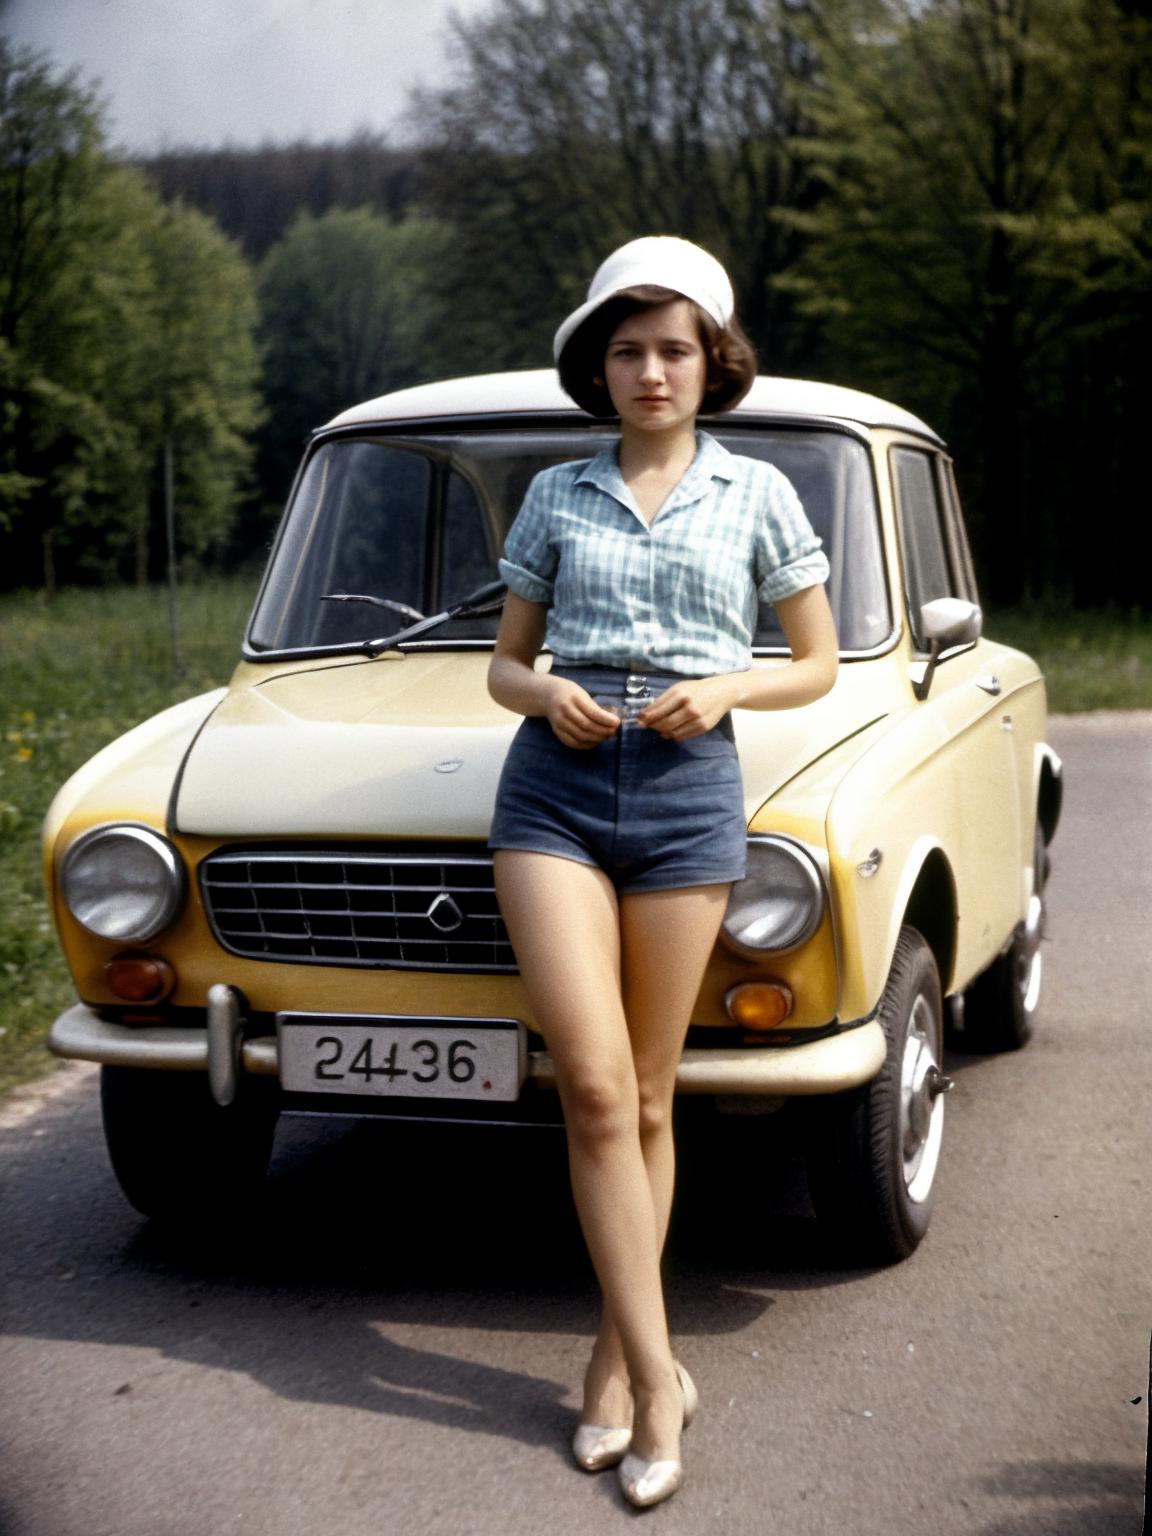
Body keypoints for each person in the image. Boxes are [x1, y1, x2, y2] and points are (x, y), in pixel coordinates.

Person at [486, 236, 838, 1508]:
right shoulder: (556, 494)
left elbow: (816, 662)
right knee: (588, 1088)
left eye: (674, 350)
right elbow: (504, 667)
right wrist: (549, 694)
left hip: (691, 790)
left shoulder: (758, 493)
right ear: (600, 366)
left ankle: (611, 1364)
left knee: (646, 1095)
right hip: (555, 790)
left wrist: (731, 684)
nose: (651, 371)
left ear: (710, 363)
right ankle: (659, 1382)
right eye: (628, 350)